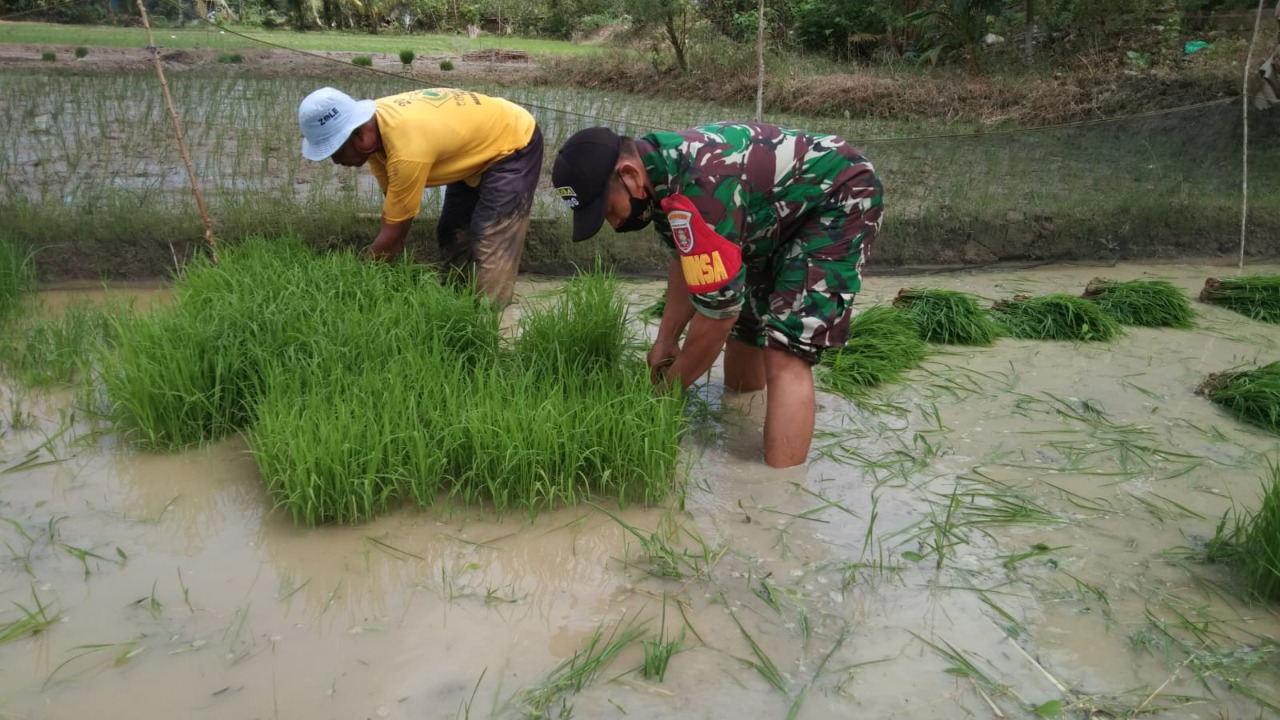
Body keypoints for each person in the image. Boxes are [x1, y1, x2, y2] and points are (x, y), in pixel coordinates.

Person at [551, 123, 883, 468]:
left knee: (786, 350)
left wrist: (664, 393)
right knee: (746, 329)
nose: (614, 224)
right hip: (770, 215)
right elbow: (688, 258)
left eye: (607, 210)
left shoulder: (699, 187)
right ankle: (742, 423)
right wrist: (666, 339)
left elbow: (717, 316)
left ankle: (780, 494)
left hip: (838, 198)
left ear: (630, 175)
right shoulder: (659, 177)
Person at [297, 86, 543, 307]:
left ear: (360, 137)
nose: (336, 161)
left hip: (514, 141)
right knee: (452, 230)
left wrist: (354, 292)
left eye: (336, 150)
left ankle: (492, 321)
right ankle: (457, 305)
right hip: (474, 146)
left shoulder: (407, 150)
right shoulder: (374, 132)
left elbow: (392, 238)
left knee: (489, 236)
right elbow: (394, 208)